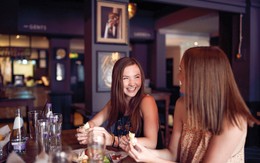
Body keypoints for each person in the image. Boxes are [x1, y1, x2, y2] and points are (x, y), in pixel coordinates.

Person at [127, 46, 260, 163]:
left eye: (181, 70)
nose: (178, 77)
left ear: (199, 77)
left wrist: (151, 159)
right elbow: (172, 155)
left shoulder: (233, 120)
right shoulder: (182, 105)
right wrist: (138, 150)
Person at [76, 57, 163, 150]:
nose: (132, 83)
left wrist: (113, 140)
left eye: (137, 77)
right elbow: (94, 122)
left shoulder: (147, 101)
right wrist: (85, 131)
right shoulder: (115, 102)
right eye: (125, 78)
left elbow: (151, 143)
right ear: (117, 80)